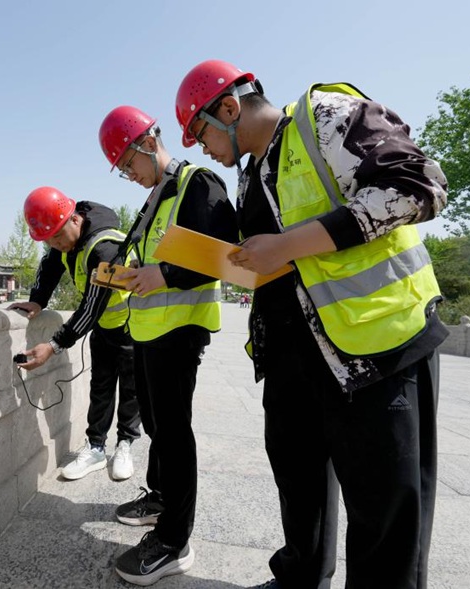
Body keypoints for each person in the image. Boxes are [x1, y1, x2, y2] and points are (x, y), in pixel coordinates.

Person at [175, 60, 449, 589]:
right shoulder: (252, 172)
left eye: (201, 133)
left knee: (383, 504)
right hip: (291, 355)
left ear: (229, 108)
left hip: (374, 346)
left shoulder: (325, 117)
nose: (201, 147)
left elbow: (420, 186)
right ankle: (300, 577)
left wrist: (287, 245)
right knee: (298, 481)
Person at [98, 105, 239, 586]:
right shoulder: (157, 197)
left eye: (128, 165)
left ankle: (174, 540)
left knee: (174, 430)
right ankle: (160, 496)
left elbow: (228, 252)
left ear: (146, 144)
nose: (130, 176)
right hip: (149, 329)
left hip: (180, 330)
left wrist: (166, 274)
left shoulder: (199, 182)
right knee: (157, 422)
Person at [8, 187, 140, 481]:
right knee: (101, 388)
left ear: (75, 220)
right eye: (48, 239)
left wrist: (54, 345)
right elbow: (51, 266)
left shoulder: (106, 248)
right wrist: (38, 299)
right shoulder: (64, 240)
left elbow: (92, 306)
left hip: (131, 326)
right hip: (104, 329)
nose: (55, 244)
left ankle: (125, 444)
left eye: (57, 236)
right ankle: (95, 447)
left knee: (131, 391)